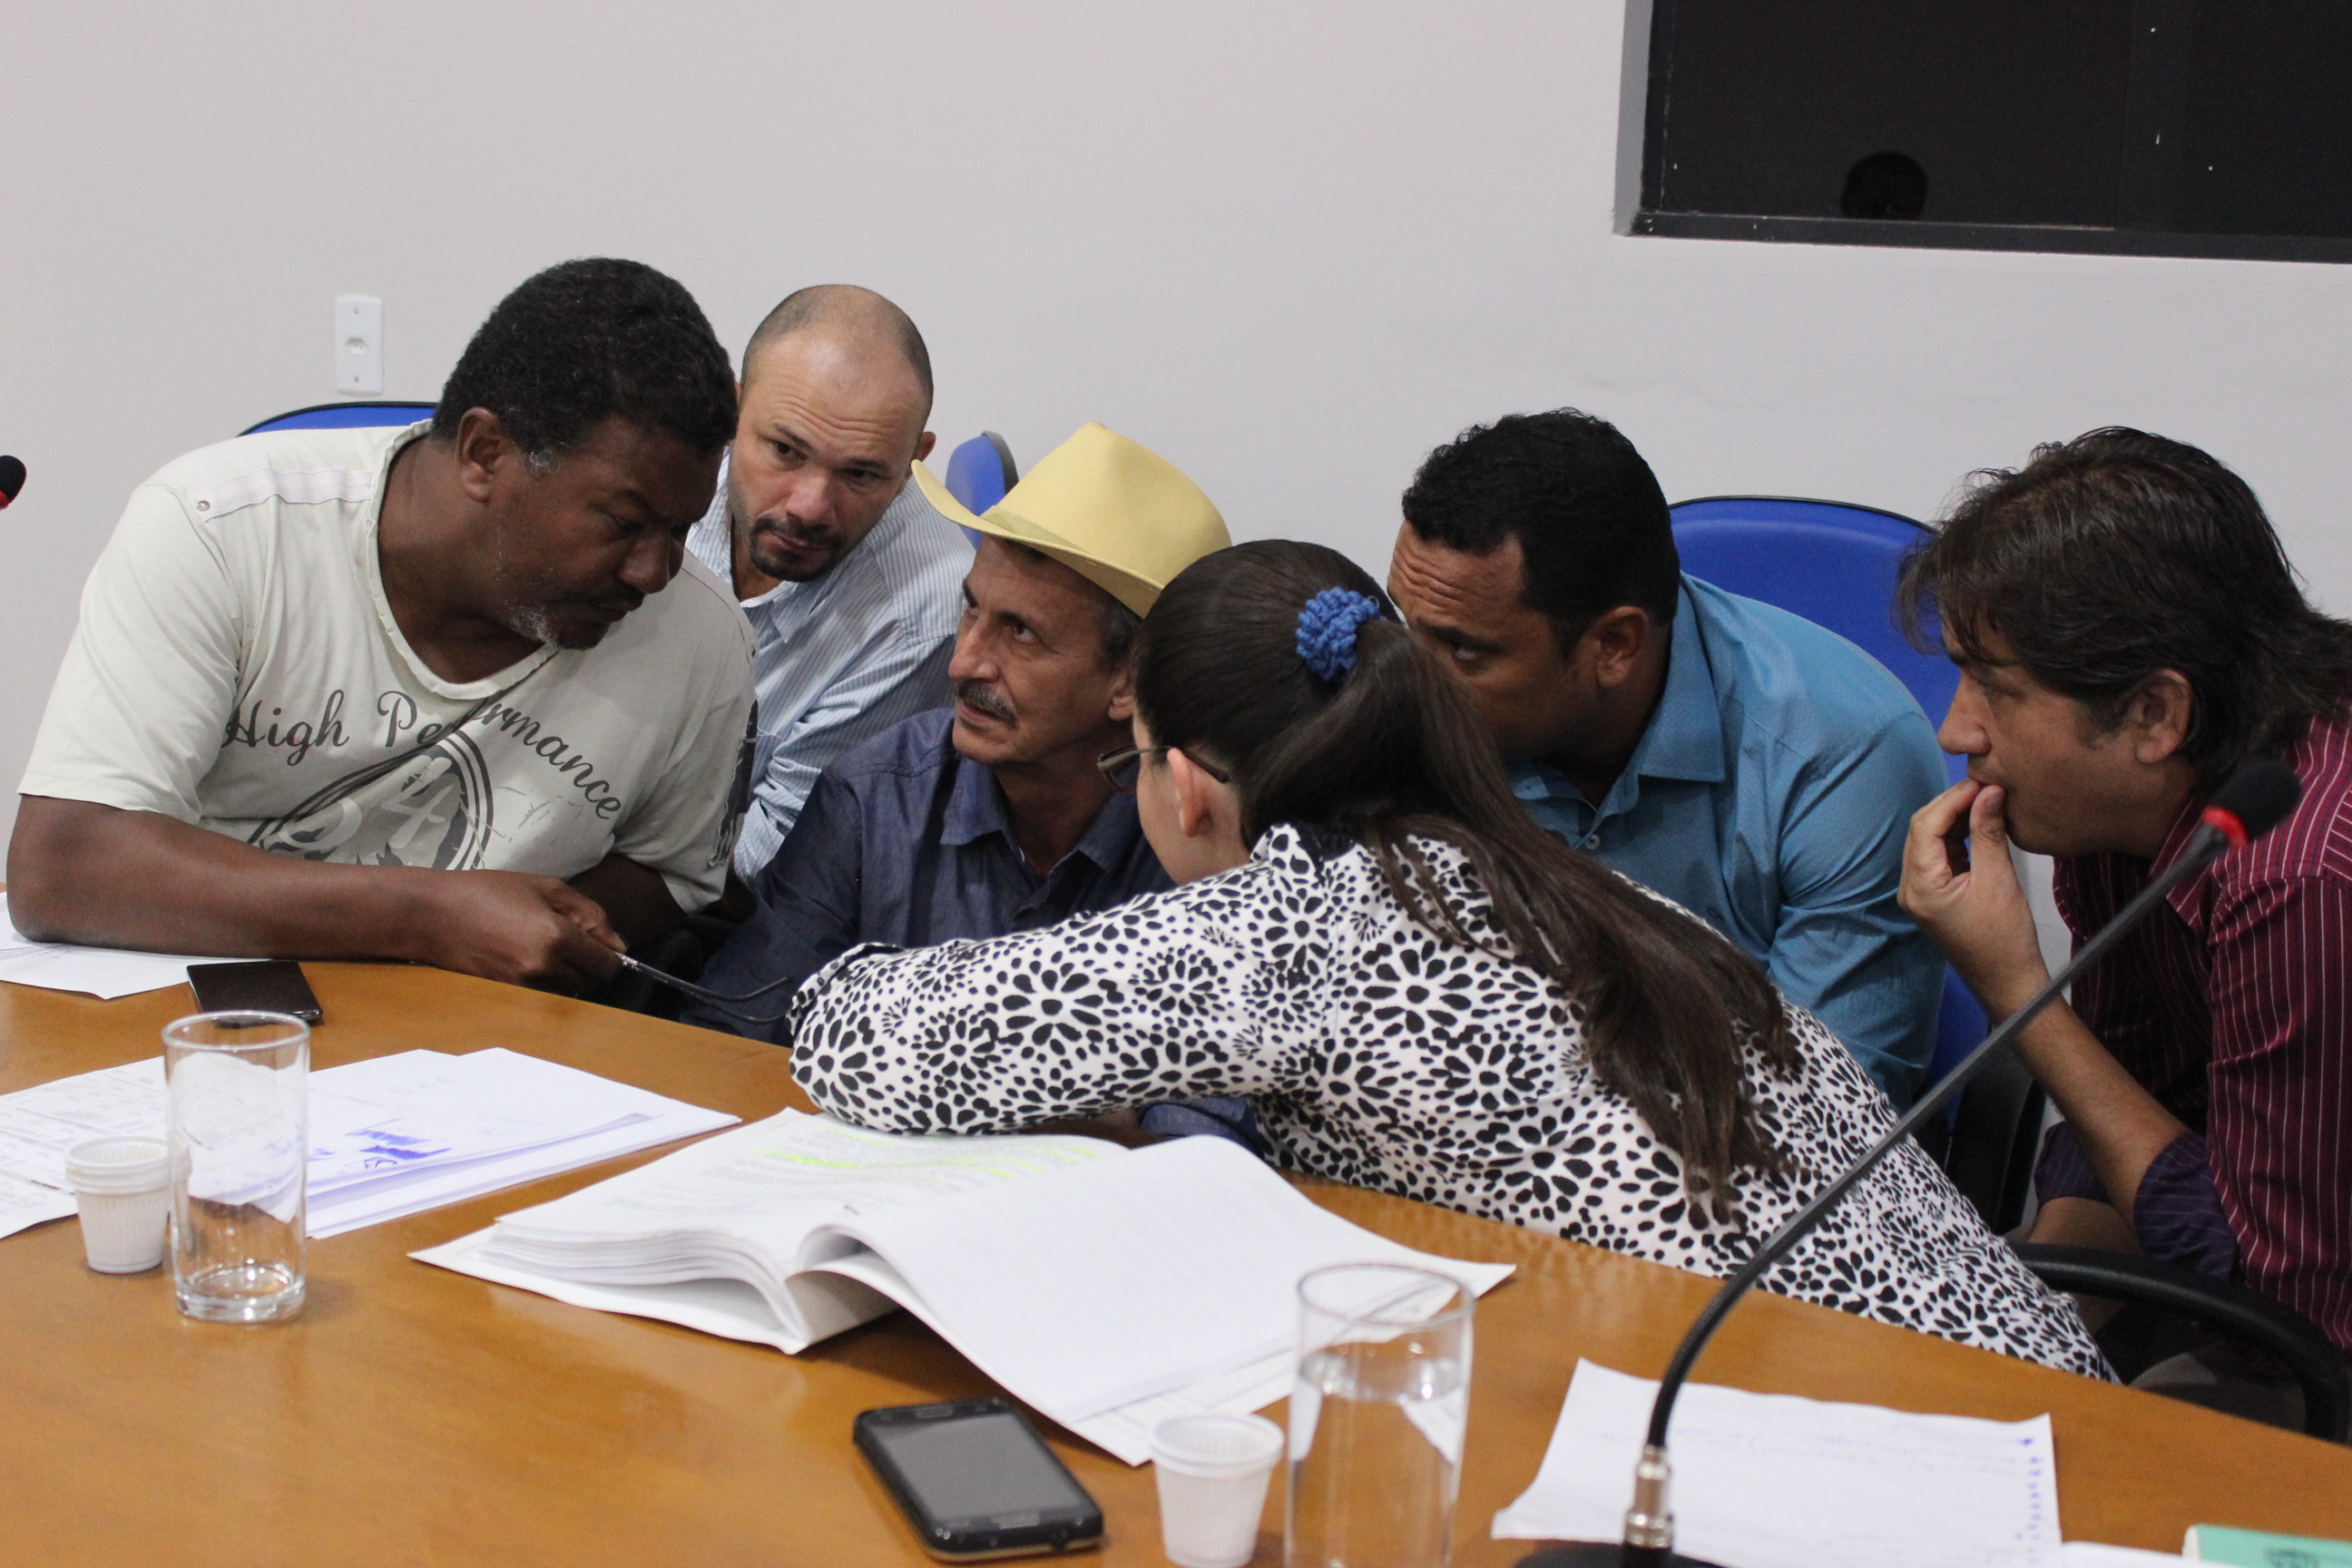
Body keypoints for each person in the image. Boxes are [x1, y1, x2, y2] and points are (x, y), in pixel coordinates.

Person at [785, 539, 2107, 1375]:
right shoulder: (1557, 878)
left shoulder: (1303, 927)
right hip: (2048, 1400)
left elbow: (860, 1035)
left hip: (1871, 1456)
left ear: (1183, 788)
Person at [6, 259, 754, 992]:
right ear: (484, 453)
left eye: (680, 529)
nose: (652, 572)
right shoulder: (221, 528)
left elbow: (670, 874)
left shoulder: (702, 638)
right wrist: (425, 919)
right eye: (622, 522)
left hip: (471, 1041)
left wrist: (545, 936)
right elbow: (63, 867)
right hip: (194, 1020)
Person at [1896, 429, 2352, 1373]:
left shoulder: (2301, 878)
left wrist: (2019, 995)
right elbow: (2134, 1105)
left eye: (1995, 690)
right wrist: (2036, 1323)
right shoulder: (2114, 814)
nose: (1955, 730)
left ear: (2154, 715)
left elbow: (2283, 1318)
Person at [1387, 410, 1948, 1106]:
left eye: (1463, 651)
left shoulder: (1843, 757)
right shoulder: (1414, 707)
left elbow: (1822, 1112)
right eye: (1406, 625)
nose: (1409, 679)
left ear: (1615, 646)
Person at [683, 423, 1230, 1041]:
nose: (964, 663)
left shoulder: (1207, 847)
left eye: (1021, 632)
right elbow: (729, 1036)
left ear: (1130, 679)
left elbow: (1219, 1093)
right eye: (971, 608)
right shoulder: (875, 798)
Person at [686, 284, 972, 877]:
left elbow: (766, 863)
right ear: (733, 411)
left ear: (913, 462)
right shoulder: (656, 478)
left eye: (861, 474)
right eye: (785, 451)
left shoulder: (920, 617)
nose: (810, 506)